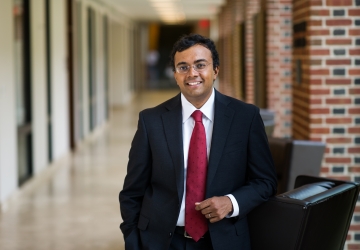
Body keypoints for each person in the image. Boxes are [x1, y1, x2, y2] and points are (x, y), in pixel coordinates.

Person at [119, 34, 277, 250]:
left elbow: (266, 181)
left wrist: (231, 202)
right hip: (162, 241)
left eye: (200, 65)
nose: (192, 73)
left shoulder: (245, 117)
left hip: (224, 240)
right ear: (175, 75)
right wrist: (133, 241)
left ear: (216, 70)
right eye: (182, 67)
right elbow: (132, 192)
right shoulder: (151, 120)